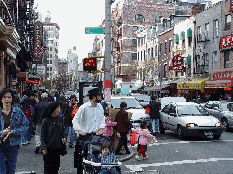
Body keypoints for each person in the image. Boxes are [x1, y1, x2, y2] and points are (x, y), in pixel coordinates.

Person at [72, 88, 105, 173]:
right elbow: (75, 119)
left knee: (97, 159)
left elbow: (102, 120)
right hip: (85, 137)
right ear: (94, 97)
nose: (101, 97)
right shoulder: (84, 107)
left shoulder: (100, 107)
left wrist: (101, 130)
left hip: (97, 137)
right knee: (83, 160)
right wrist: (79, 131)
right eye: (99, 95)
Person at [0, 88, 29, 174]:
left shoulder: (18, 111)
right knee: (2, 171)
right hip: (0, 145)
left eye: (9, 97)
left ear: (12, 98)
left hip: (13, 145)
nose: (7, 99)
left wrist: (13, 131)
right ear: (1, 99)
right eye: (4, 97)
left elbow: (25, 125)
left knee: (11, 170)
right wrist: (2, 133)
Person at [41, 102, 66, 174]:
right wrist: (43, 147)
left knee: (56, 167)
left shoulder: (60, 118)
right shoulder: (46, 120)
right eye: (58, 108)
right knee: (48, 168)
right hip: (48, 148)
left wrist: (63, 138)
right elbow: (43, 135)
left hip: (57, 147)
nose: (60, 110)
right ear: (53, 109)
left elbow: (62, 131)